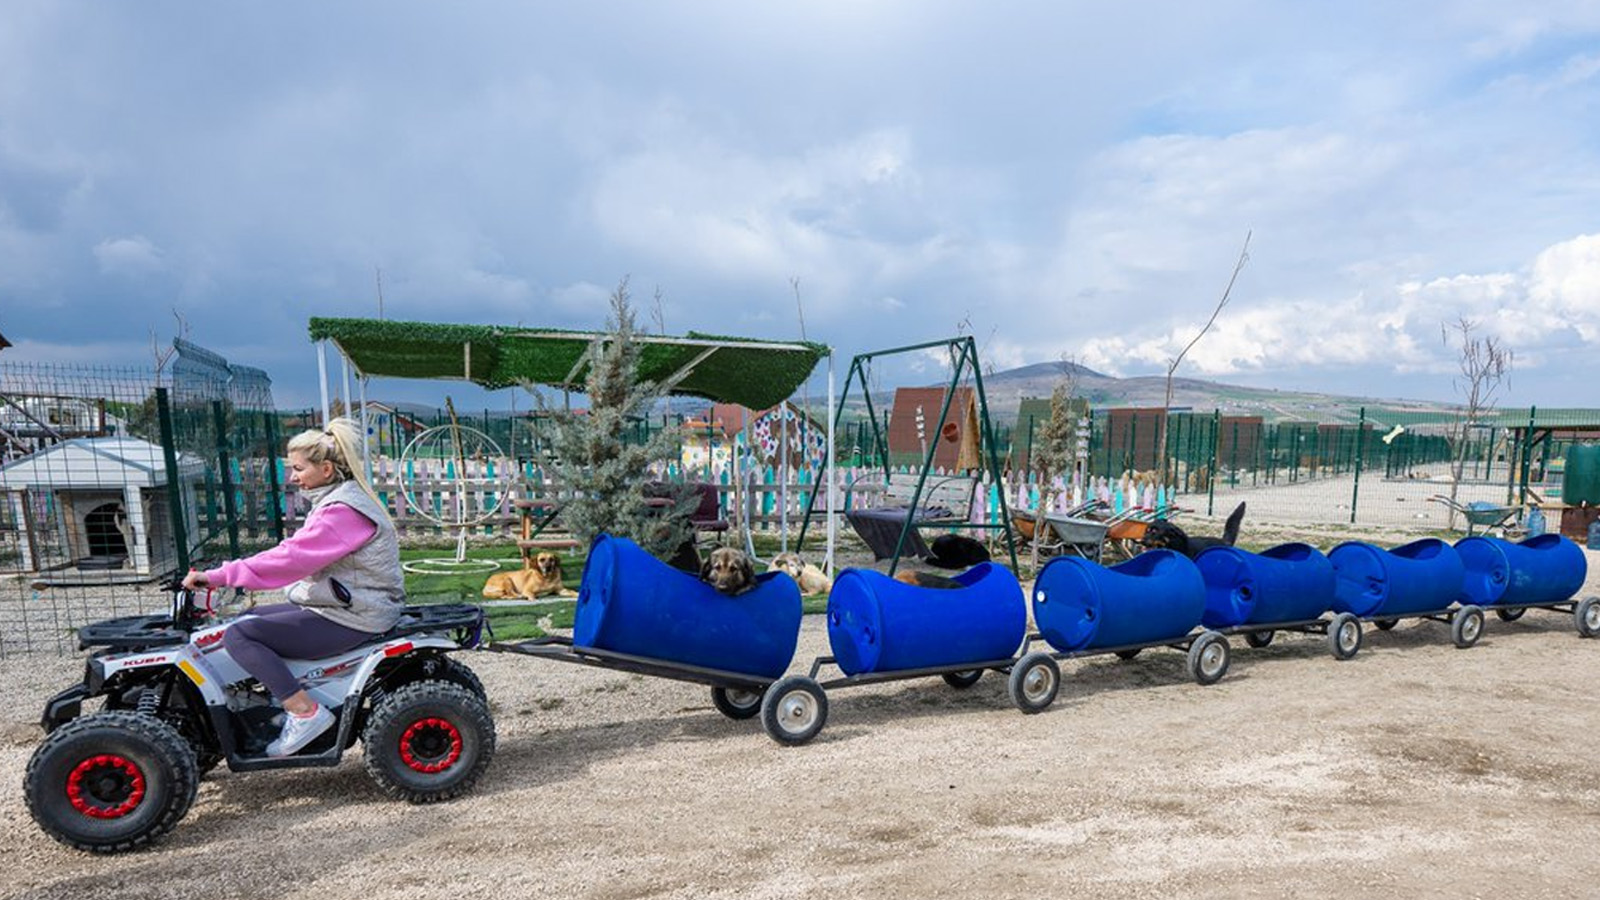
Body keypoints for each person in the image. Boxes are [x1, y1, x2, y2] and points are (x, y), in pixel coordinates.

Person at [183, 417, 403, 757]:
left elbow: (291, 559)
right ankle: (272, 697)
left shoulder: (342, 511)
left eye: (299, 468)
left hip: (357, 614)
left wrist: (220, 575)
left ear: (326, 469)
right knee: (249, 618)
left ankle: (304, 711)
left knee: (240, 636)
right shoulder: (342, 499)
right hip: (349, 605)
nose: (293, 476)